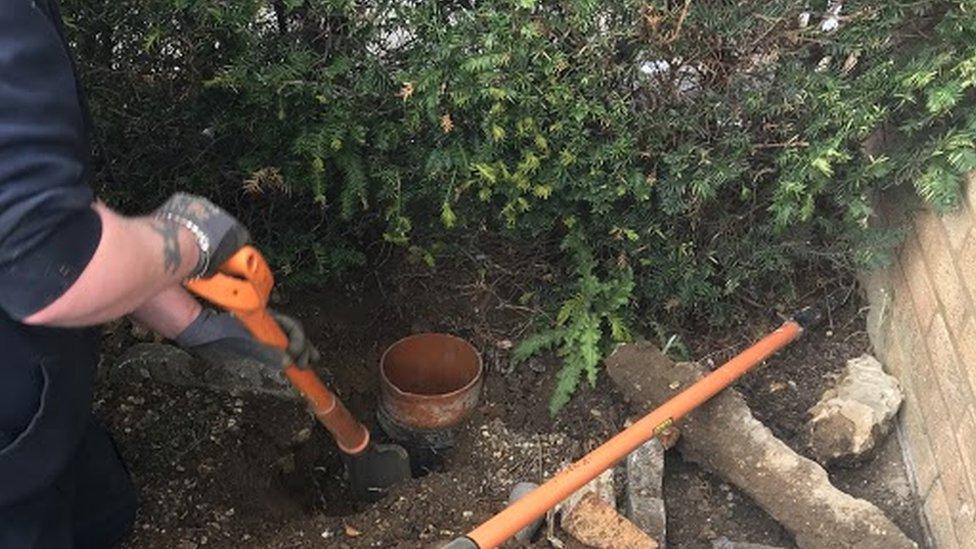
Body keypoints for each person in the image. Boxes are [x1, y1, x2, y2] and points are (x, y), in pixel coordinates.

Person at [0, 1, 318, 546]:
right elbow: (53, 267)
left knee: (102, 510)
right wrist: (190, 238)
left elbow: (42, 216)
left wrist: (193, 324)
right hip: (12, 455)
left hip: (43, 402)